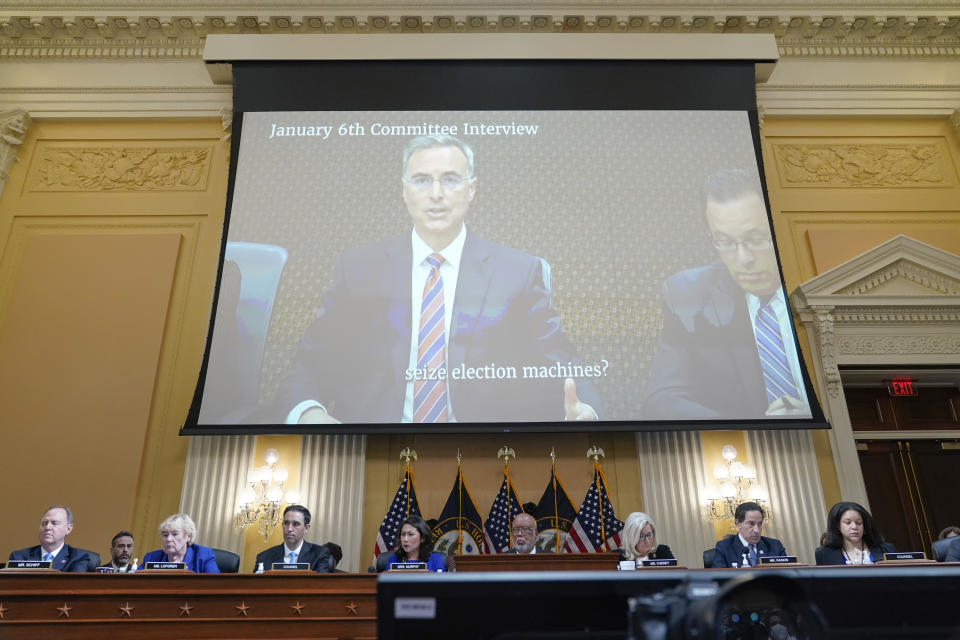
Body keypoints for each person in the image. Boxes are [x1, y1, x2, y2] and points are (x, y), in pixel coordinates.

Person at [274, 134, 600, 425]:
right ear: (404, 191)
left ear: (471, 189)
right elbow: (308, 365)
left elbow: (563, 363)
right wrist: (309, 413)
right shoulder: (357, 270)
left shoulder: (518, 271)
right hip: (373, 448)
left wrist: (587, 410)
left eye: (450, 179)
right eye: (421, 180)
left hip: (485, 450)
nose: (436, 193)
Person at [643, 168, 810, 419]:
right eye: (726, 242)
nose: (743, 259)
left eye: (755, 239)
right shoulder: (689, 295)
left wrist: (812, 411)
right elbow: (662, 400)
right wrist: (753, 428)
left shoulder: (814, 273)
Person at [8, 505, 96, 572]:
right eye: (44, 523)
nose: (47, 527)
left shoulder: (77, 557)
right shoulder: (19, 557)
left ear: (68, 529)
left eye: (55, 523)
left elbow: (73, 587)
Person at [253, 505, 332, 572]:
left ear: (306, 528)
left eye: (295, 524)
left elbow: (321, 585)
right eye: (286, 523)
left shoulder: (319, 554)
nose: (289, 529)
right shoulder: (264, 557)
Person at [815, 501, 895, 565]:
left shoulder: (886, 549)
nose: (854, 527)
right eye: (848, 522)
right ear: (838, 526)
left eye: (859, 523)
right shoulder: (824, 554)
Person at [711, 501, 786, 568]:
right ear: (738, 523)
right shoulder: (724, 548)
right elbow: (720, 580)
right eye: (751, 524)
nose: (756, 530)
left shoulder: (775, 546)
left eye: (759, 524)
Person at [140, 513, 219, 573]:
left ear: (188, 536)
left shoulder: (203, 556)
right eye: (165, 535)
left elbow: (216, 585)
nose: (168, 539)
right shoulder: (151, 558)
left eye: (175, 534)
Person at [379, 515, 445, 571]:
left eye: (410, 534)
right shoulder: (394, 559)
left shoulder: (435, 559)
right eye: (403, 534)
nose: (405, 539)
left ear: (422, 538)